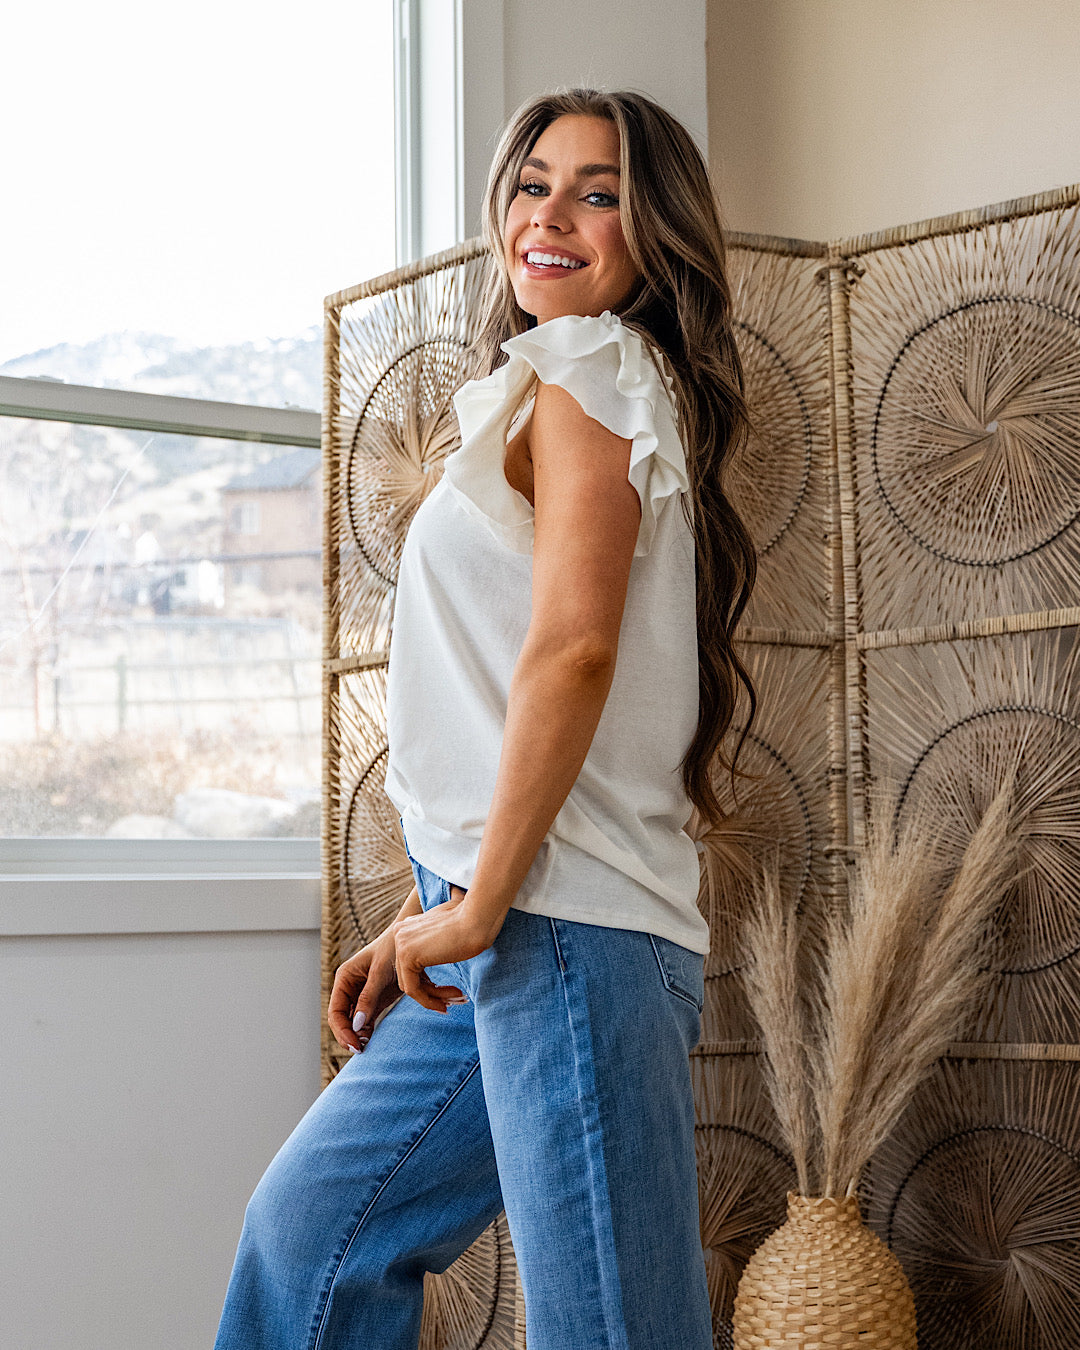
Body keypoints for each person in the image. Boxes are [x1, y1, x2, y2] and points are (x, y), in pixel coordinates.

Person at [214, 87, 756, 1350]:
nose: (550, 216)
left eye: (599, 193)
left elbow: (573, 650)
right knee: (310, 1236)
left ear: (654, 233)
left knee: (609, 1330)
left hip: (559, 928)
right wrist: (447, 905)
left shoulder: (590, 367)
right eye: (531, 184)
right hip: (506, 918)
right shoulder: (560, 384)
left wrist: (479, 901)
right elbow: (520, 676)